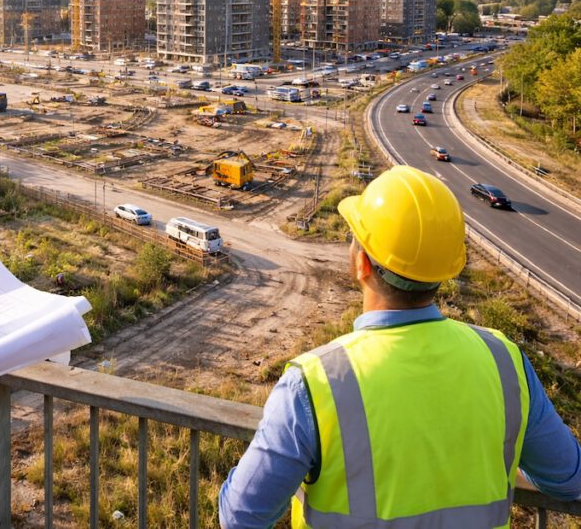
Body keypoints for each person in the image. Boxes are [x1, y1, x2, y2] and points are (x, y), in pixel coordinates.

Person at [219, 165, 581, 528]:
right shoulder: (505, 362)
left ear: (361, 263)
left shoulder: (315, 383)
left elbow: (240, 517)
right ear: (445, 271)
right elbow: (568, 479)